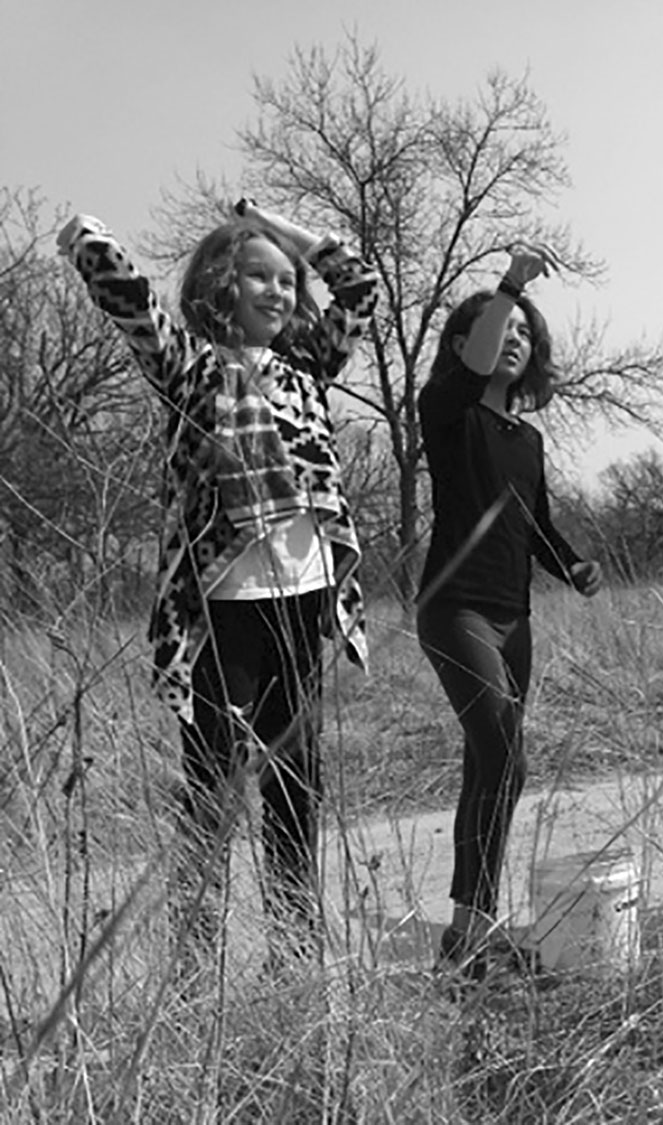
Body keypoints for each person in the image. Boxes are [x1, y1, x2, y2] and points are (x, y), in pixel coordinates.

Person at [58, 199, 378, 967]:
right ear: (220, 287)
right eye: (258, 277)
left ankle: (296, 955)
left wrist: (279, 227)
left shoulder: (308, 369)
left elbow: (361, 288)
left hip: (301, 605)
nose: (280, 293)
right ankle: (196, 975)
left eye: (287, 282)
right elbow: (132, 306)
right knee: (211, 796)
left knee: (297, 791)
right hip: (218, 616)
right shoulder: (189, 367)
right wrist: (87, 242)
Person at [417, 247, 602, 980]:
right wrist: (509, 286)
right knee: (505, 754)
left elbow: (538, 528)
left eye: (527, 330)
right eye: (500, 328)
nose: (515, 338)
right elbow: (471, 363)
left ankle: (467, 936)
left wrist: (575, 564)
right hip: (453, 608)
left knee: (487, 767)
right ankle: (474, 928)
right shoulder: (446, 414)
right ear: (464, 348)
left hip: (513, 617)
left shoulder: (528, 438)